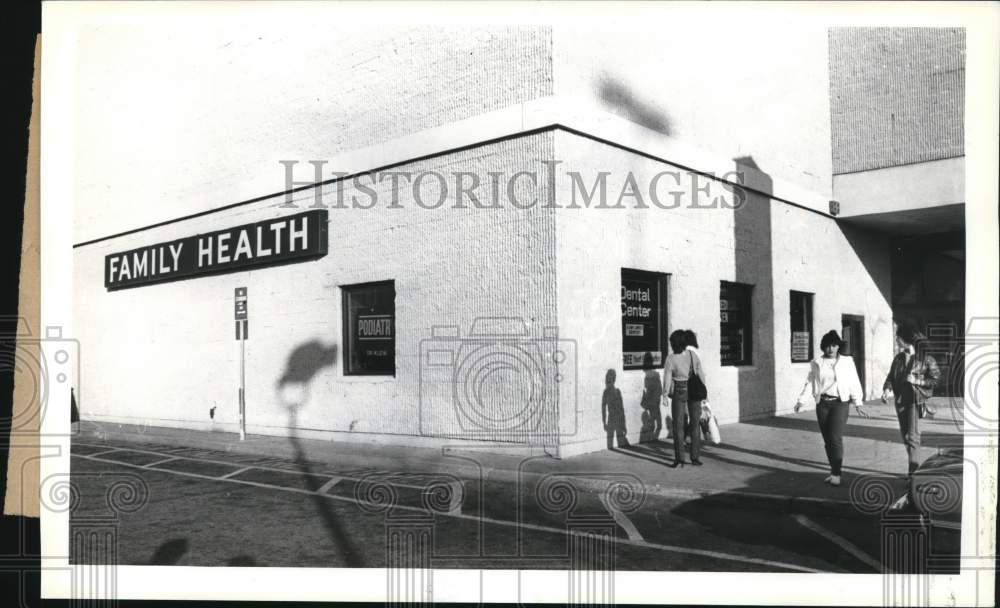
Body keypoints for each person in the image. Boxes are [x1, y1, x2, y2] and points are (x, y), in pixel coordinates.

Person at [795, 330, 868, 486]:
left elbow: (854, 381)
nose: (831, 349)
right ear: (823, 347)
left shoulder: (847, 361)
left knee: (835, 438)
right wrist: (801, 401)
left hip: (840, 403)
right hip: (822, 404)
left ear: (838, 346)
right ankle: (833, 471)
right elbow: (810, 382)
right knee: (828, 440)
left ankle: (836, 474)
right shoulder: (817, 362)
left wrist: (858, 403)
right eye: (828, 346)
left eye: (834, 345)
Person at [882, 322, 940, 475]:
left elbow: (935, 380)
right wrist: (886, 389)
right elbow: (890, 377)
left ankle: (913, 474)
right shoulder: (898, 358)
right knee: (906, 437)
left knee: (912, 437)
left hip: (915, 401)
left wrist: (917, 381)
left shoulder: (925, 358)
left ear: (905, 339)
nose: (896, 340)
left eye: (898, 337)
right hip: (900, 401)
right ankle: (916, 469)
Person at [662, 330, 706, 466]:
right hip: (694, 389)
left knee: (678, 426)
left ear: (674, 344)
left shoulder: (670, 358)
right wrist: (704, 393)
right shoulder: (693, 355)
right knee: (695, 424)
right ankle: (695, 458)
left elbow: (667, 378)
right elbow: (701, 374)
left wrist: (665, 395)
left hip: (679, 390)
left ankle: (679, 458)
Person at [602, 369, 630, 449]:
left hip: (613, 419)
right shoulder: (614, 392)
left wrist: (604, 422)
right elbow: (621, 409)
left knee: (612, 444)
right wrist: (624, 424)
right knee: (616, 444)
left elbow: (604, 409)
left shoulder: (609, 392)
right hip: (616, 419)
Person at [640, 351, 663, 442]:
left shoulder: (646, 376)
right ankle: (653, 438)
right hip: (655, 400)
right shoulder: (656, 374)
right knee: (658, 423)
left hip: (650, 400)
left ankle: (651, 438)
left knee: (652, 420)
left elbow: (646, 390)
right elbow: (659, 389)